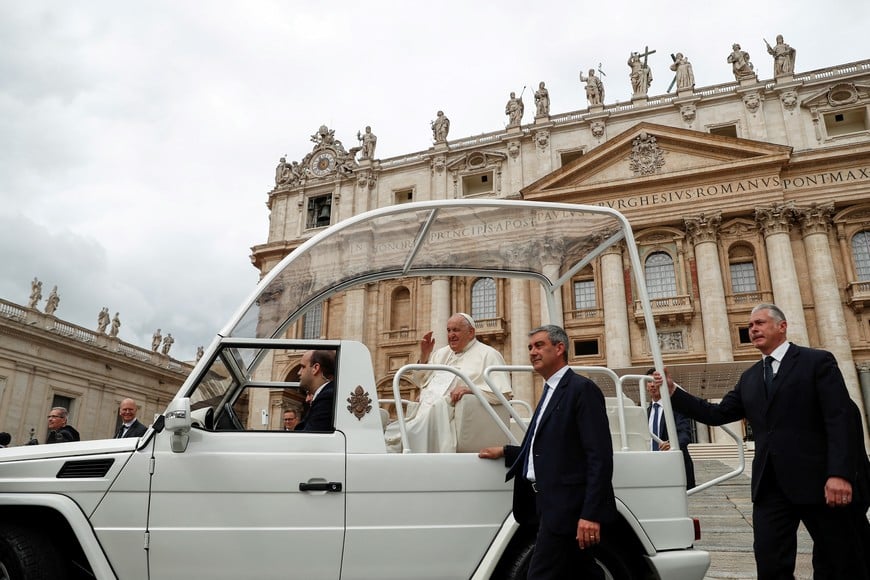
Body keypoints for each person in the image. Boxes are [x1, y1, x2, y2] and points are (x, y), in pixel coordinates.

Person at [654, 303, 869, 579]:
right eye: (750, 326)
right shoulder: (750, 377)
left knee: (839, 562)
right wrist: (674, 392)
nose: (753, 329)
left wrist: (839, 474)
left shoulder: (817, 362)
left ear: (782, 326)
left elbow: (839, 420)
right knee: (770, 563)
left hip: (819, 483)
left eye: (760, 323)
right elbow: (716, 413)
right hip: (770, 487)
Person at [479, 325, 615, 579]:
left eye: (539, 345)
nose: (532, 352)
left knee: (539, 574)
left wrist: (590, 515)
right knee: (584, 572)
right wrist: (507, 452)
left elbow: (600, 456)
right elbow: (548, 446)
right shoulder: (550, 390)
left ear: (560, 348)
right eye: (530, 347)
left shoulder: (581, 389)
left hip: (567, 506)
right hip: (545, 503)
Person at [385, 313, 511, 453]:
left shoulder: (489, 354)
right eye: (449, 330)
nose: (451, 335)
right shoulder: (441, 353)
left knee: (406, 435)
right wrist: (424, 356)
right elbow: (420, 381)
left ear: (471, 332)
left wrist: (470, 389)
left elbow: (502, 395)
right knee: (391, 430)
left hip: (446, 413)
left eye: (456, 330)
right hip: (425, 410)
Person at [645, 368, 696, 488]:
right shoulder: (643, 412)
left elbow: (685, 433)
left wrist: (673, 444)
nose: (652, 385)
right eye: (649, 382)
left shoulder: (676, 408)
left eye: (654, 381)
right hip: (650, 466)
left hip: (673, 464)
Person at [296, 350, 335, 432]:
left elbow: (308, 437)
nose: (298, 372)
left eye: (303, 367)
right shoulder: (326, 394)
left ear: (315, 368)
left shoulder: (327, 398)